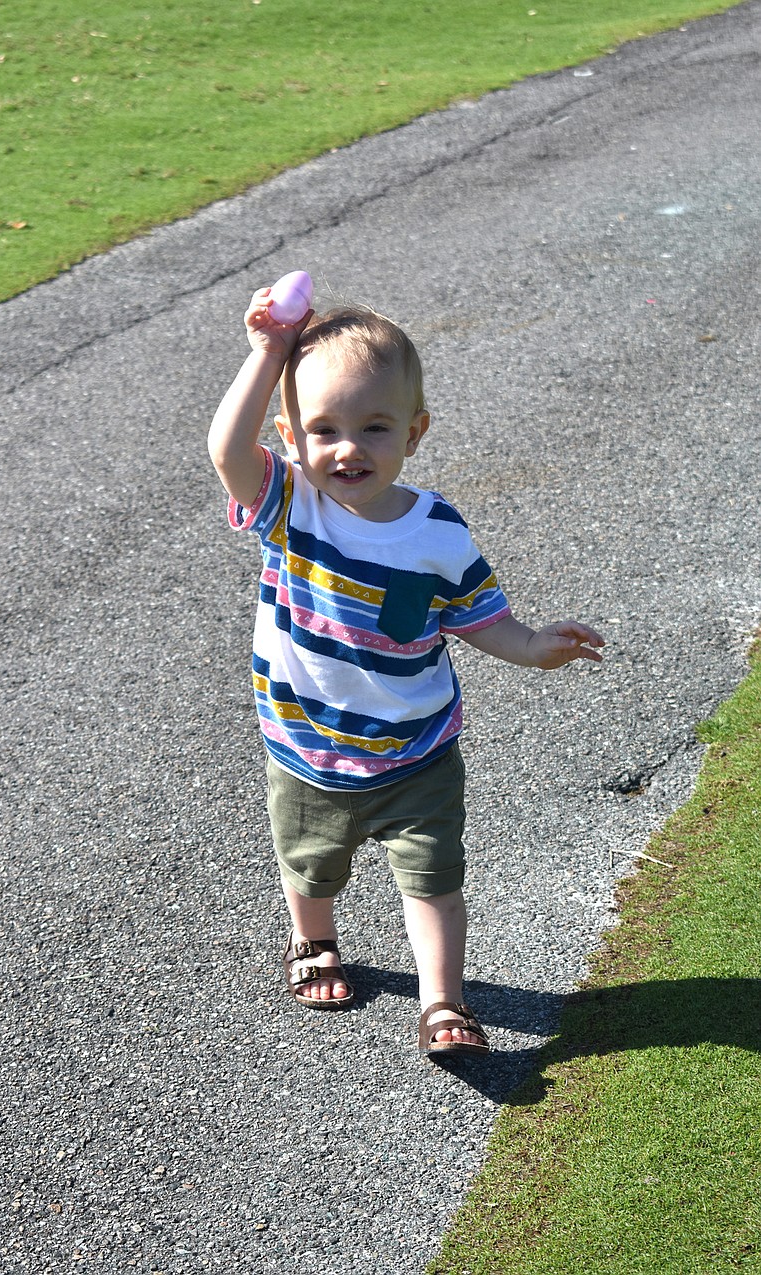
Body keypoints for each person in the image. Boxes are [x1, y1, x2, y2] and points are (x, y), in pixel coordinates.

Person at [208, 283, 605, 1058]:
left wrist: (532, 645)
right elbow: (226, 450)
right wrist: (267, 355)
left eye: (374, 426)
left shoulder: (438, 530)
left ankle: (443, 1003)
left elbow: (479, 616)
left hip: (419, 749)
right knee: (312, 865)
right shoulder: (291, 504)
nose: (347, 447)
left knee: (433, 877)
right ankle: (312, 940)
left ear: (413, 432)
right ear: (289, 436)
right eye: (323, 429)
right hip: (309, 747)